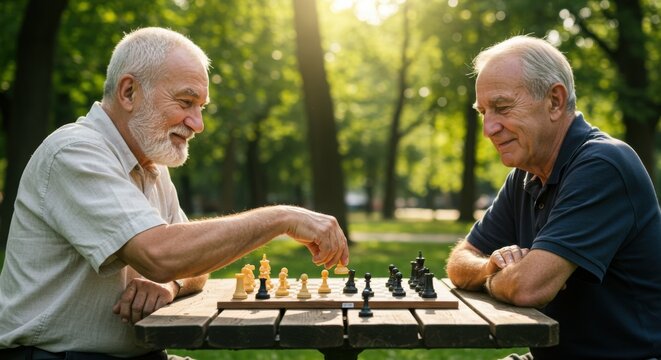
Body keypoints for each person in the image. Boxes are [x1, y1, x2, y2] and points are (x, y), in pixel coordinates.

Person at [0, 27, 349, 359]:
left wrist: (169, 285)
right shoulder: (75, 152)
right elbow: (161, 256)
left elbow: (190, 264)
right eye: (186, 102)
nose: (198, 124)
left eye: (201, 107)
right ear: (128, 92)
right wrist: (281, 218)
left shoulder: (150, 164)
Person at [446, 35, 661, 359]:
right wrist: (492, 266)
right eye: (483, 112)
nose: (489, 127)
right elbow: (459, 262)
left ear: (555, 101)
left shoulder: (603, 165)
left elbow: (530, 287)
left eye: (502, 107)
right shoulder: (526, 175)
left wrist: (491, 281)